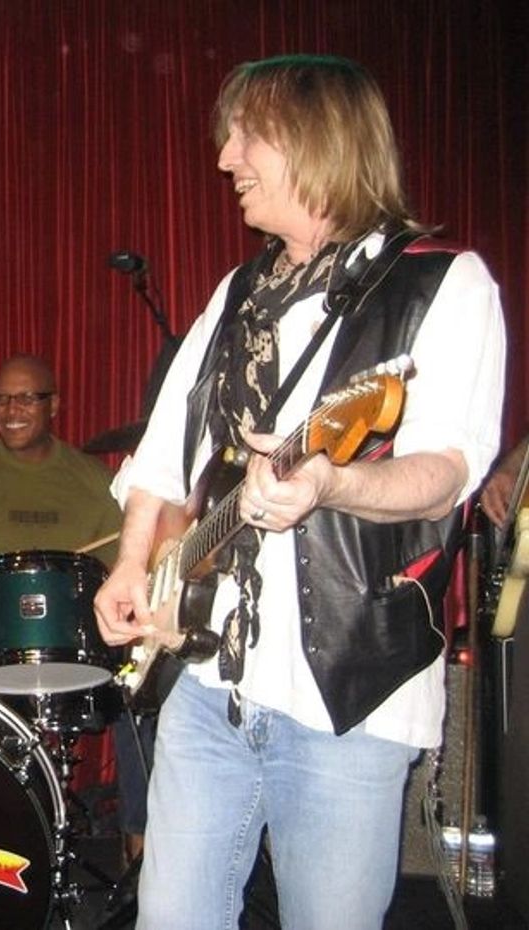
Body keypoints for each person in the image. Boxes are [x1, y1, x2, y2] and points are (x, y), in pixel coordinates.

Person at [93, 54, 505, 930]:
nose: (224, 159)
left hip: (347, 699)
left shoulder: (443, 283)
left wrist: (334, 481)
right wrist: (134, 565)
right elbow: (165, 449)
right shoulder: (238, 291)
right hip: (206, 682)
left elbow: (449, 468)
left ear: (315, 142)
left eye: (246, 135)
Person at [0, 353, 150, 858]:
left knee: (144, 688)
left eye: (27, 397)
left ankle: (140, 844)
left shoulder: (95, 479)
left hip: (77, 628)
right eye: (1, 399)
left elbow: (123, 573)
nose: (12, 410)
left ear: (55, 405)